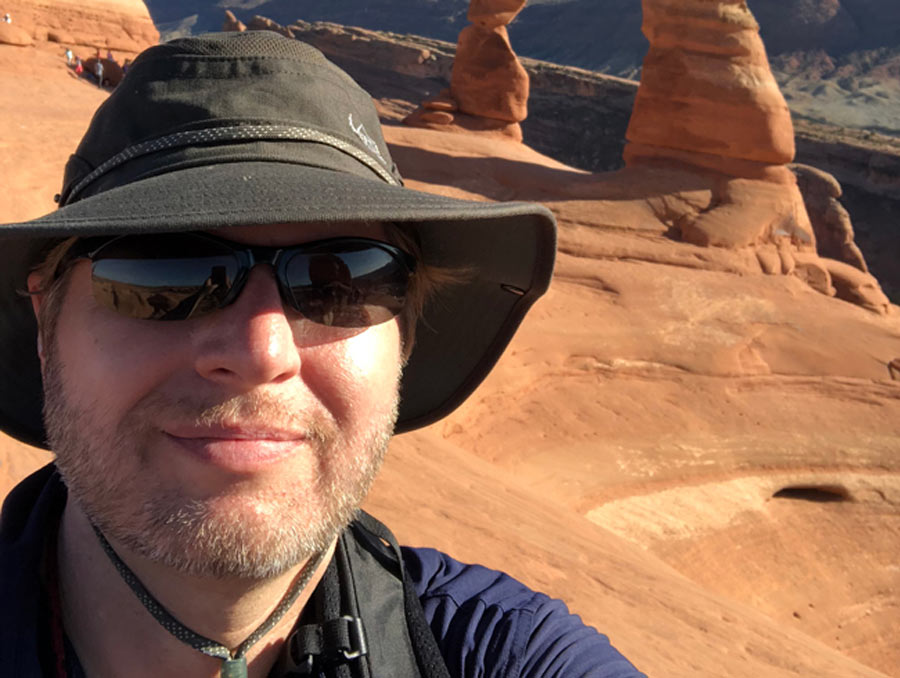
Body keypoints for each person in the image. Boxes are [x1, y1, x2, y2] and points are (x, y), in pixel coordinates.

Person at [0, 31, 646, 678]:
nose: (261, 351)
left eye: (343, 285)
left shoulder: (499, 651)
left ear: (406, 339)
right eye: (164, 279)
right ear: (44, 323)